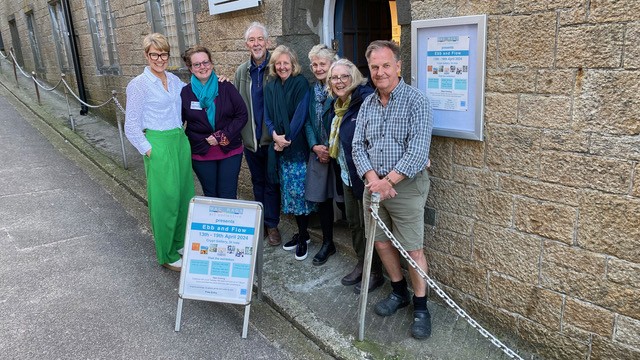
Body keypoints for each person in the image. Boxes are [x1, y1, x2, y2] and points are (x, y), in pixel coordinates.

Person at [352, 40, 434, 339]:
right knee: (382, 244)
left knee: (413, 249)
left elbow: (418, 150)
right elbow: (357, 146)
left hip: (406, 188)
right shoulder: (367, 104)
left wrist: (389, 182)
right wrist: (374, 180)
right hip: (373, 187)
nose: (380, 72)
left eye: (386, 65)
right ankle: (398, 292)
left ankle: (422, 305)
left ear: (399, 66)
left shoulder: (417, 101)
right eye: (374, 67)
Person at [124, 33, 195, 272]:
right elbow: (131, 125)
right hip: (158, 143)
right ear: (146, 56)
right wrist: (149, 150)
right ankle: (166, 252)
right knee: (166, 199)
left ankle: (180, 242)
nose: (160, 59)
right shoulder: (139, 85)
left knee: (184, 195)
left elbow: (197, 90)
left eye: (163, 53)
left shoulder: (174, 81)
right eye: (154, 54)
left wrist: (220, 80)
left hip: (179, 140)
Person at [325, 59, 384, 292]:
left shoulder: (365, 101)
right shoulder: (337, 105)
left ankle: (376, 271)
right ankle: (363, 262)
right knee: (355, 224)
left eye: (344, 77)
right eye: (334, 78)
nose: (339, 82)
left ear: (354, 78)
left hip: (365, 177)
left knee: (371, 226)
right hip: (346, 174)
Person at [264, 45, 316, 261]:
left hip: (297, 148)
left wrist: (285, 141)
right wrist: (274, 135)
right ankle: (301, 233)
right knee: (290, 194)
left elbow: (301, 115)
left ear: (293, 64)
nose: (282, 66)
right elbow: (266, 114)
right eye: (279, 63)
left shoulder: (301, 83)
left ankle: (304, 237)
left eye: (286, 62)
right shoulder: (271, 86)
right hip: (280, 147)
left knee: (300, 195)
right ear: (274, 66)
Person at [235, 22, 282, 246]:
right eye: (252, 40)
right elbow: (236, 104)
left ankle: (272, 225)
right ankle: (262, 223)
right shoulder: (241, 71)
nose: (256, 44)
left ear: (267, 41)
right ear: (247, 44)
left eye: (260, 39)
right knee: (257, 182)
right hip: (250, 140)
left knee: (272, 183)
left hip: (271, 139)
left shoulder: (276, 66)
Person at [181, 45, 248, 199]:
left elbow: (242, 115)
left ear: (211, 63)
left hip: (229, 150)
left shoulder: (226, 87)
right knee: (211, 195)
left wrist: (222, 136)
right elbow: (178, 121)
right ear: (190, 68)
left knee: (228, 194)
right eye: (197, 64)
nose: (202, 67)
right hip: (201, 151)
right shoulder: (185, 93)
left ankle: (228, 223)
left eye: (206, 62)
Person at [298, 44, 340, 266]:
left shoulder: (341, 86)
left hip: (339, 153)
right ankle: (328, 242)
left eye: (322, 63)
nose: (317, 68)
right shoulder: (311, 90)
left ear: (331, 63)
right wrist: (315, 146)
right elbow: (307, 121)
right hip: (319, 152)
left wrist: (331, 148)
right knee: (323, 201)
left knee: (343, 201)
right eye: (314, 64)